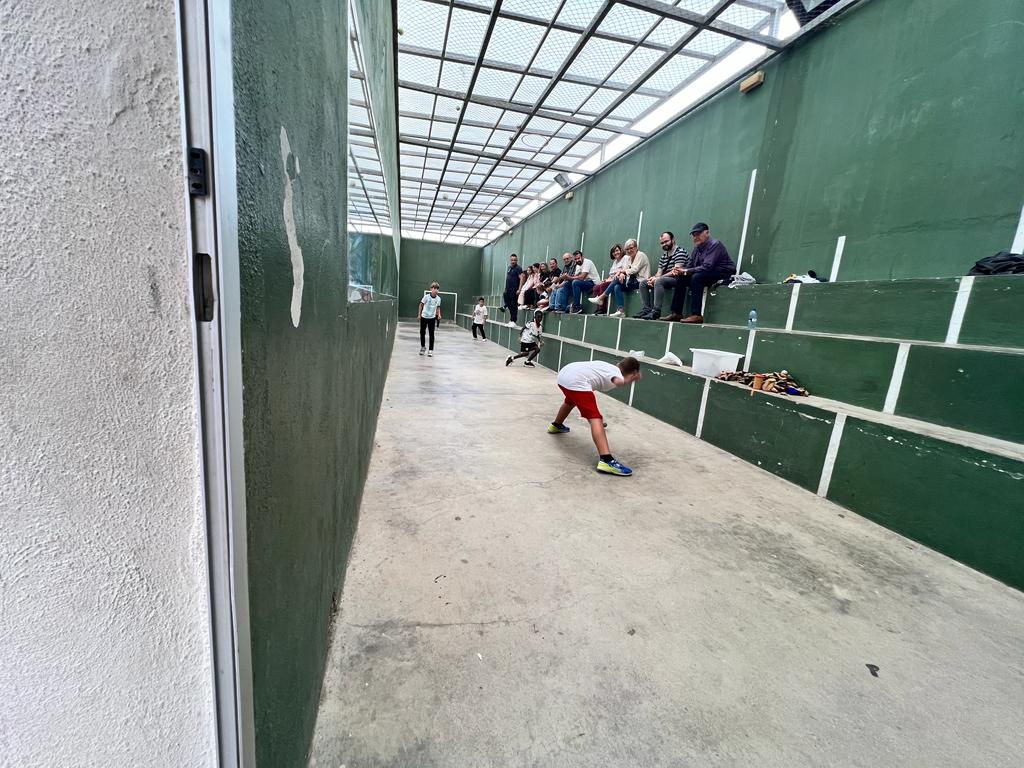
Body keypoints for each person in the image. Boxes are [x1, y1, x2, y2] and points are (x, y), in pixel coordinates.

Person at [547, 356, 642, 476]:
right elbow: (618, 381)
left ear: (620, 364)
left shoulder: (607, 366)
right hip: (576, 380)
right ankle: (606, 460)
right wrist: (629, 379)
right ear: (633, 372)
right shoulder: (615, 373)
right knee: (595, 417)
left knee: (571, 401)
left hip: (564, 376)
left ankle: (556, 425)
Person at [663, 223, 737, 323]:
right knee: (682, 278)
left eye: (698, 234)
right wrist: (681, 271)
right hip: (707, 272)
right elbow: (690, 266)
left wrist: (686, 271)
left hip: (723, 272)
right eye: (694, 235)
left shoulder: (715, 244)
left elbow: (707, 267)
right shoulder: (697, 248)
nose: (695, 237)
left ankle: (696, 315)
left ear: (707, 233)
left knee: (696, 277)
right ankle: (676, 313)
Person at [635, 231, 688, 320]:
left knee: (659, 281)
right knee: (643, 283)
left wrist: (658, 278)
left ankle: (656, 311)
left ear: (673, 240)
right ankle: (647, 310)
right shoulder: (664, 256)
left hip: (678, 280)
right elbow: (659, 272)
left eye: (666, 241)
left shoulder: (680, 252)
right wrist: (653, 278)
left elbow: (675, 272)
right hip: (666, 279)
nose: (664, 244)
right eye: (662, 243)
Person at [589, 240, 648, 316]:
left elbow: (634, 269)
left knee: (615, 280)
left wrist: (622, 272)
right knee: (617, 286)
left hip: (641, 281)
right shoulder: (630, 258)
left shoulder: (640, 255)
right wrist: (621, 273)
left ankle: (601, 298)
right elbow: (625, 269)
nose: (629, 250)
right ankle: (621, 311)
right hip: (631, 282)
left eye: (631, 248)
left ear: (636, 247)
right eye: (627, 249)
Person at [588, 244, 626, 313]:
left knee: (603, 285)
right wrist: (606, 279)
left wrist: (609, 280)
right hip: (611, 280)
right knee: (596, 287)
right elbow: (611, 275)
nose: (615, 253)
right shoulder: (615, 262)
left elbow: (623, 271)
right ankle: (599, 308)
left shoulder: (625, 258)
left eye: (617, 250)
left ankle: (603, 309)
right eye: (613, 252)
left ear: (621, 250)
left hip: (620, 280)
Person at [419, 282, 442, 356]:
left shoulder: (438, 299)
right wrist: (419, 314)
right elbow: (421, 305)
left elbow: (438, 307)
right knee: (422, 333)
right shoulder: (426, 297)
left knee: (431, 334)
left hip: (432, 318)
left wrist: (439, 314)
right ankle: (423, 347)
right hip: (424, 317)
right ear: (431, 289)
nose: (435, 290)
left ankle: (430, 350)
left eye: (437, 289)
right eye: (434, 288)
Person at [501, 253, 523, 327]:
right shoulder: (509, 268)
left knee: (514, 305)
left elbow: (521, 279)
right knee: (509, 304)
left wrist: (519, 289)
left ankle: (514, 321)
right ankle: (511, 320)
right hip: (508, 289)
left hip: (514, 290)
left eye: (515, 260)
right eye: (512, 260)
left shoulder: (518, 268)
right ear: (510, 260)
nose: (513, 261)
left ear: (517, 260)